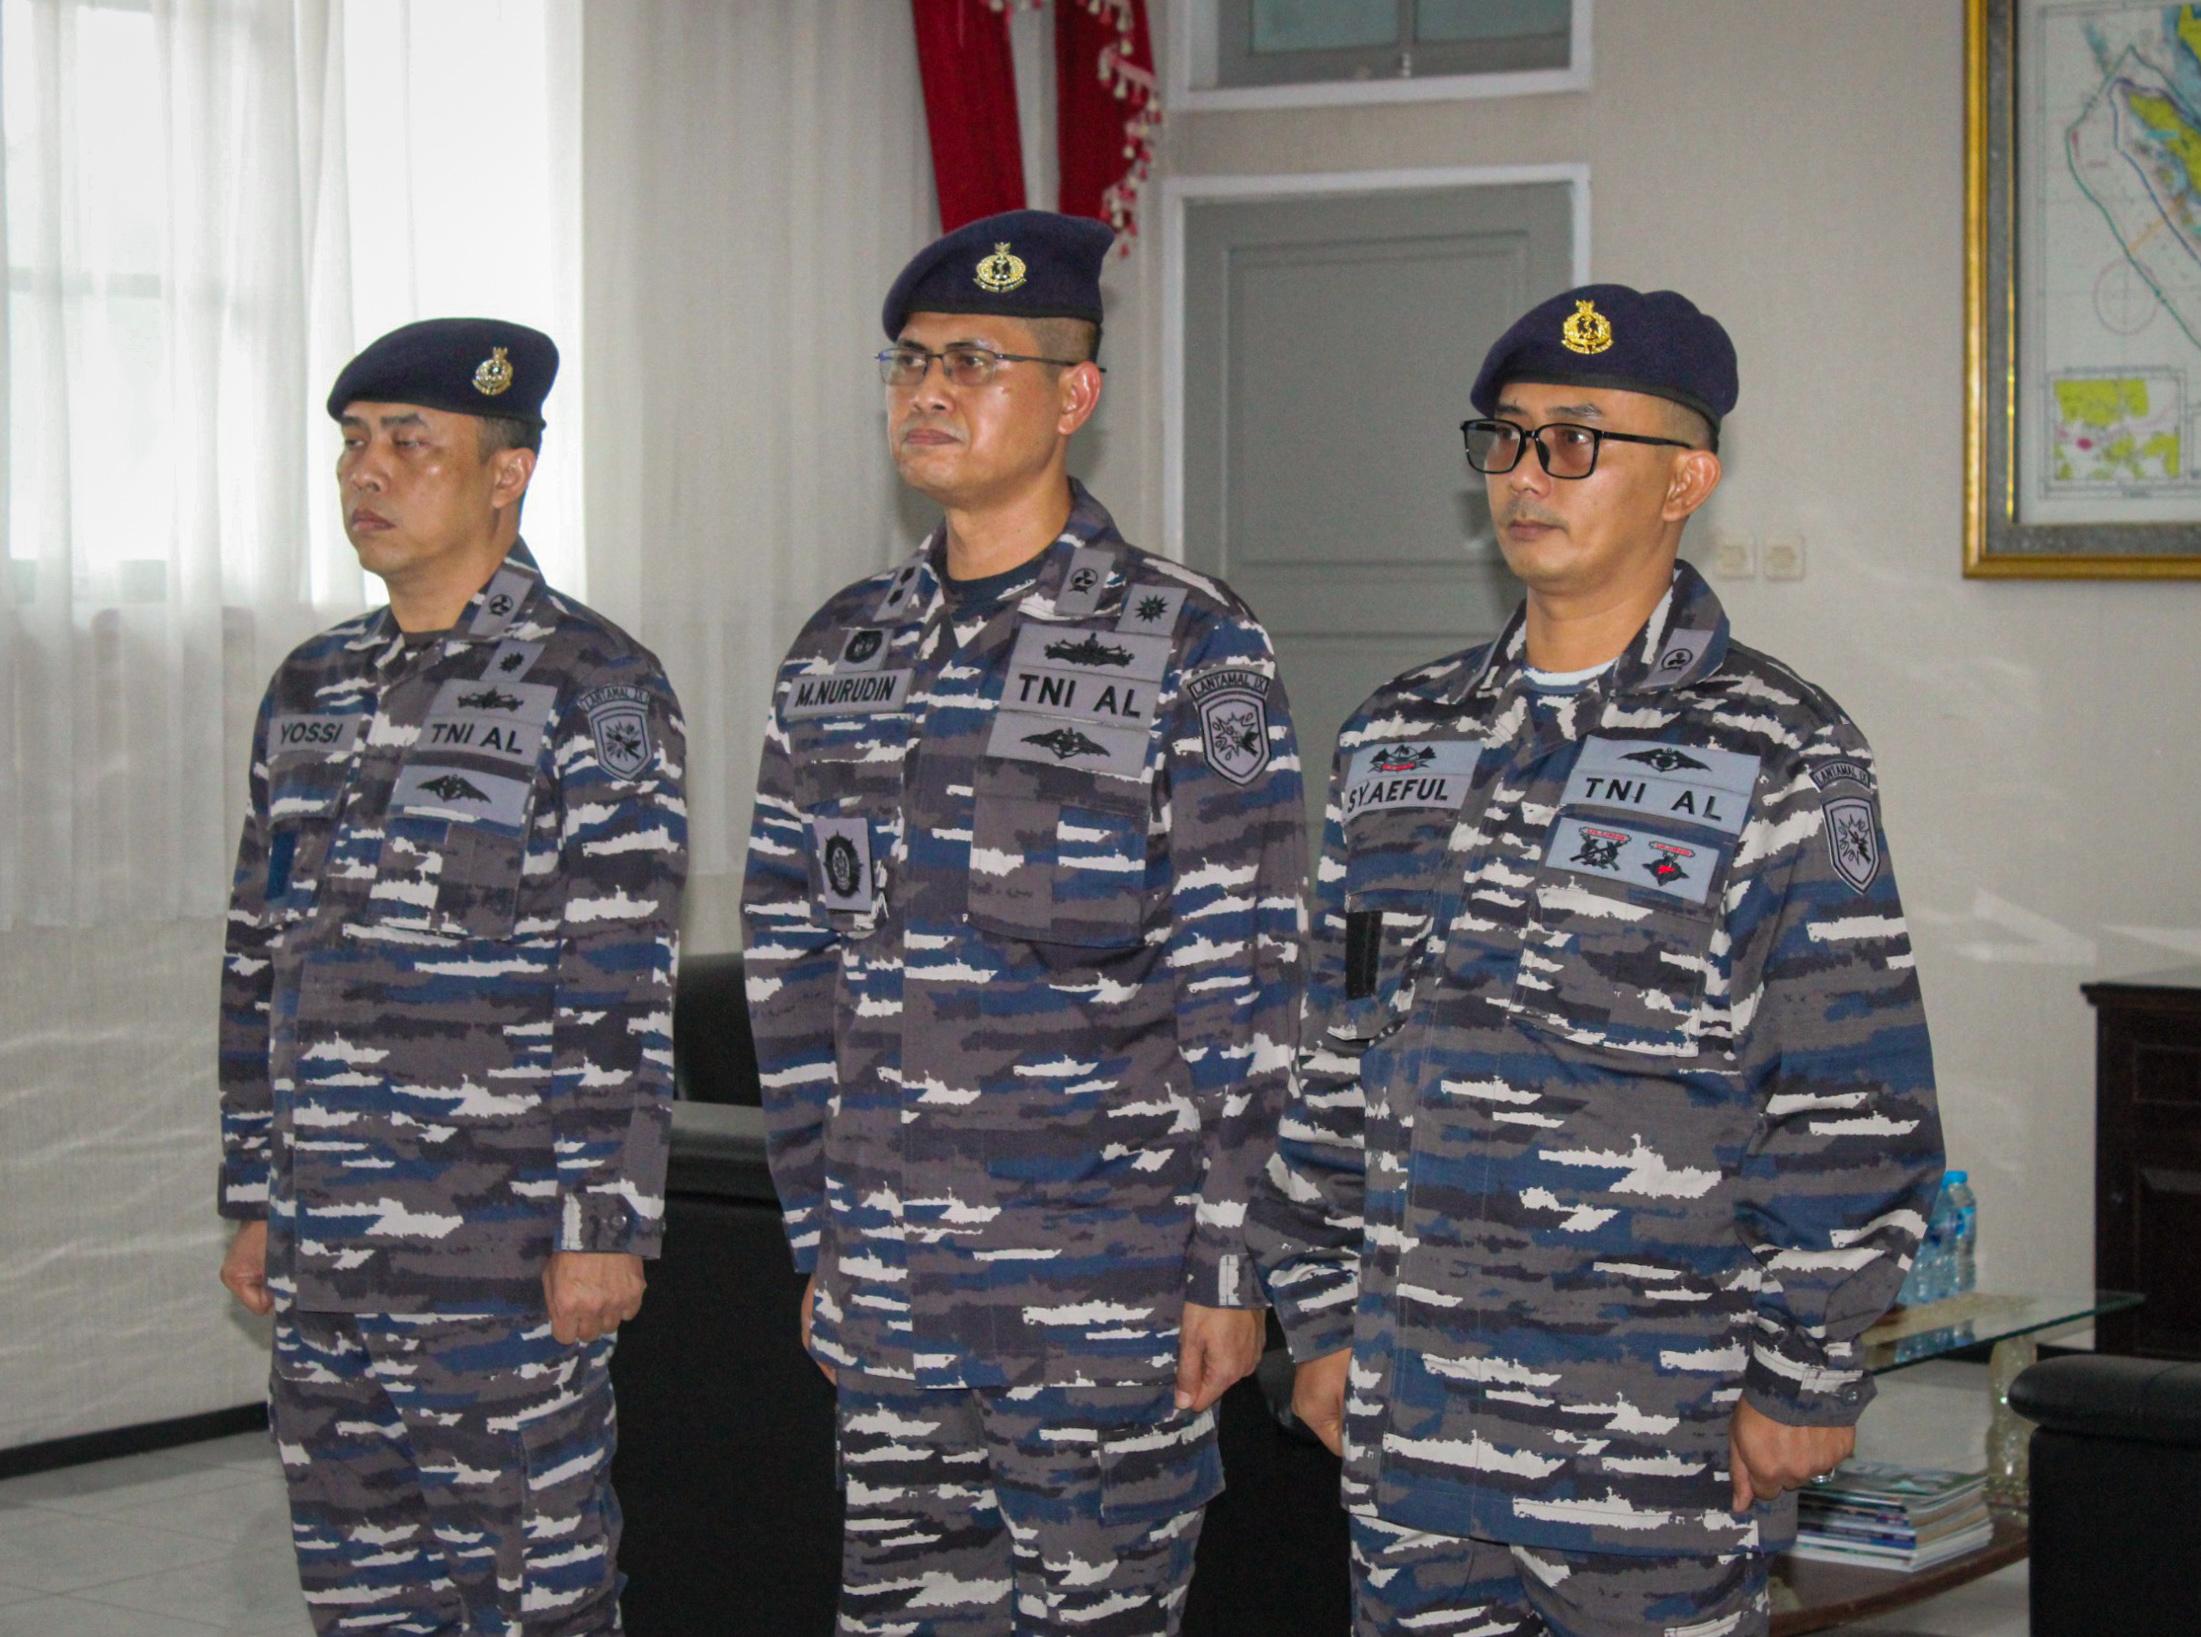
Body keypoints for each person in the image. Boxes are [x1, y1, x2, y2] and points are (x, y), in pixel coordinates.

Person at [1249, 284, 1943, 1637]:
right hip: (1416, 1432)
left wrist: (1804, 1371)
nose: (1526, 474)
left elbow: (1854, 1091)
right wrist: (1318, 1317)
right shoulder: (1398, 734)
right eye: (1505, 439)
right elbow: (1330, 1051)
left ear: (1685, 479)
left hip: (1652, 1443)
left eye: (1574, 441)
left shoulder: (1779, 746)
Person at [740, 209, 1305, 1636]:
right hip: (888, 1290)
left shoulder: (1187, 638)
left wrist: (1230, 1264)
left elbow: (1248, 974)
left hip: (1101, 1298)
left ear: (1074, 394)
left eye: (975, 362)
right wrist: (818, 1237)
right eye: (911, 361)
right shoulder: (839, 650)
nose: (928, 390)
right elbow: (793, 970)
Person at [217, 318, 686, 1636]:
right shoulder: (311, 686)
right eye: (353, 443)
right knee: (361, 1597)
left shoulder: (595, 685)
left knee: (533, 1599)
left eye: (410, 443)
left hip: (497, 1258)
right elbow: (257, 960)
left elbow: (619, 976)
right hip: (326, 1251)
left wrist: (602, 1225)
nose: (366, 471)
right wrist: (253, 1193)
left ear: (505, 473)